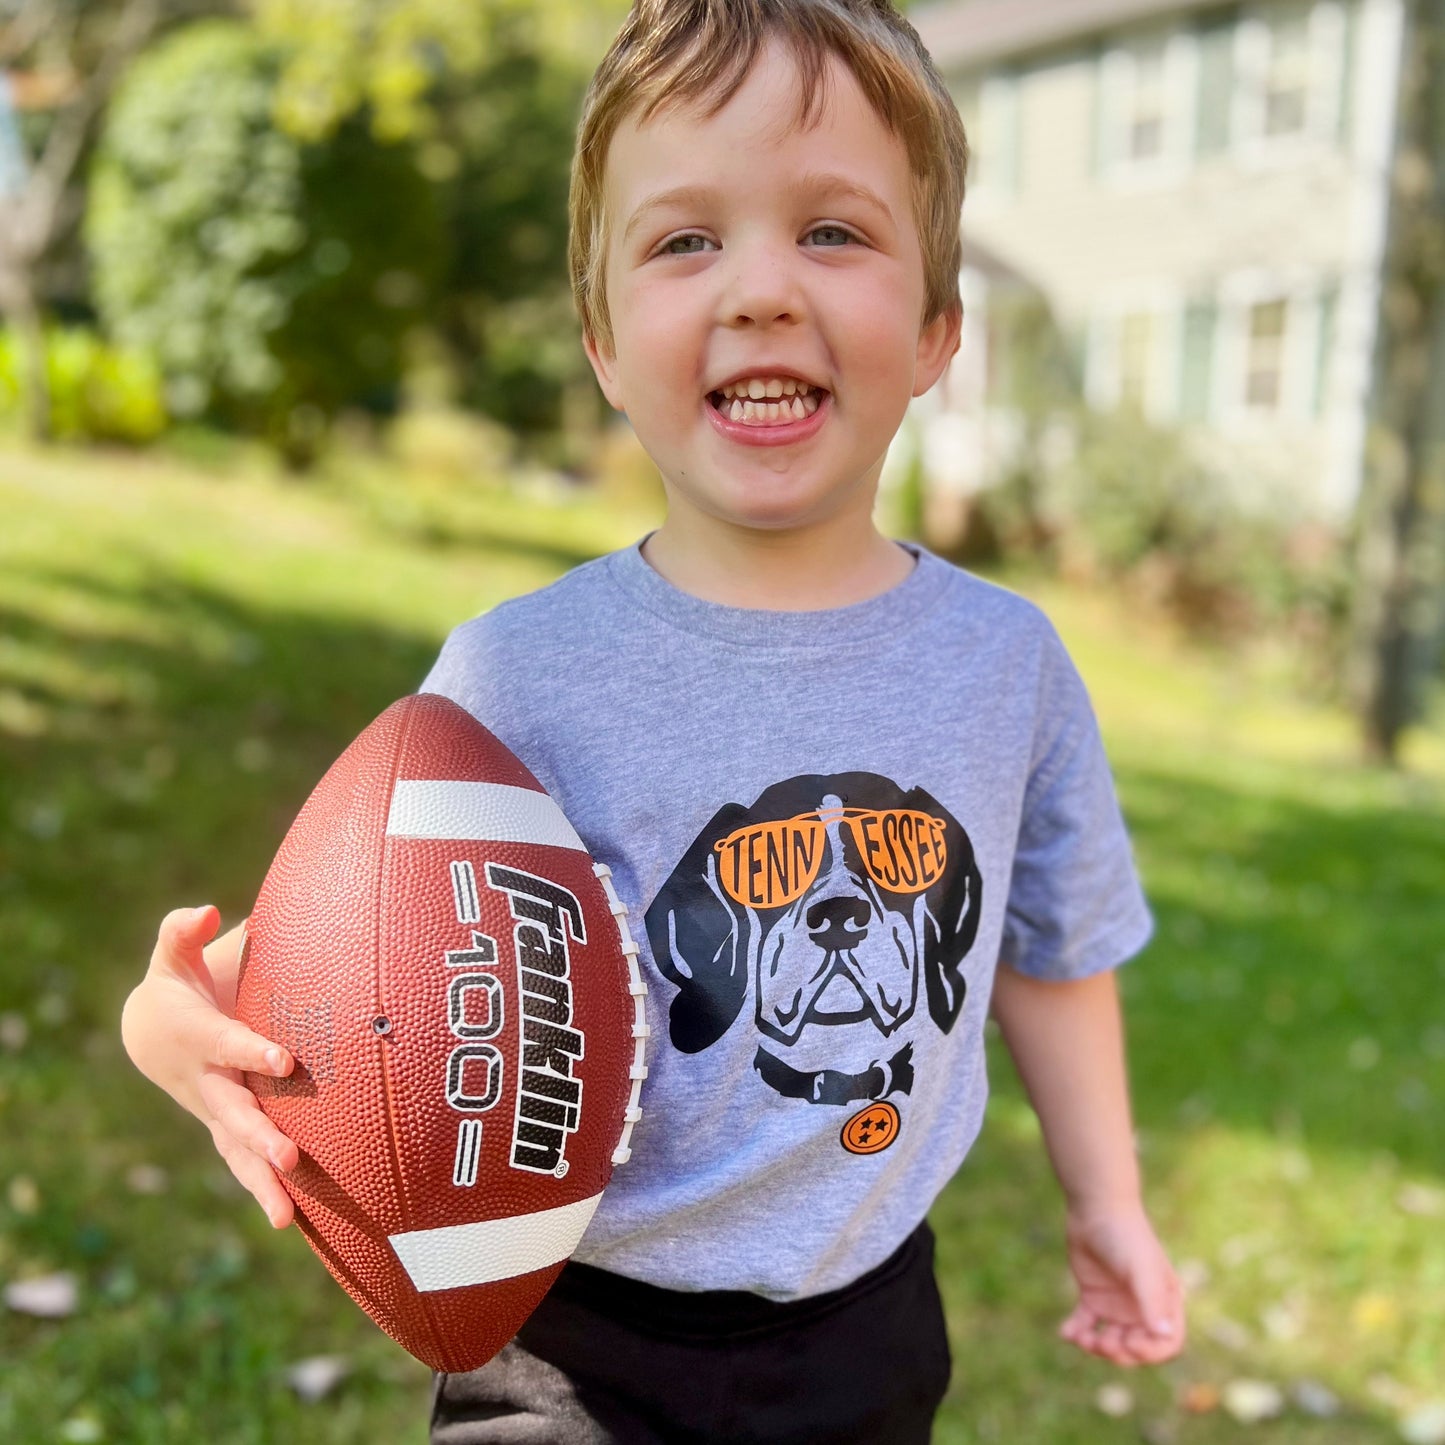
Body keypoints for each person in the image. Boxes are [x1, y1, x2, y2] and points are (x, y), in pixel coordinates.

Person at [122, 1, 1187, 1439]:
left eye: (832, 231)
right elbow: (340, 952)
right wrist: (166, 1022)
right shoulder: (517, 673)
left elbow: (1052, 951)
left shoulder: (1007, 664)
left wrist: (1106, 1199)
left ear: (937, 330)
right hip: (567, 1337)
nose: (760, 290)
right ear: (606, 343)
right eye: (686, 240)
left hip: (868, 1324)